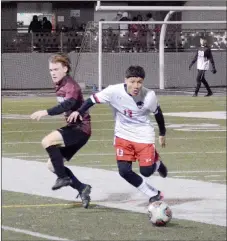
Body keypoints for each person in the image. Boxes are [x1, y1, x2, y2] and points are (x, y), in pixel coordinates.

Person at [67, 66, 168, 204]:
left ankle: (157, 163)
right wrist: (79, 111)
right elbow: (92, 100)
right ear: (125, 80)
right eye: (132, 81)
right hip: (122, 135)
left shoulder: (149, 96)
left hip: (143, 136)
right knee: (124, 171)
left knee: (146, 172)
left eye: (139, 82)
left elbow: (158, 113)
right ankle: (154, 194)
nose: (136, 85)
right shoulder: (113, 91)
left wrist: (162, 133)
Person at [30, 53, 92, 208]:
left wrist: (46, 112)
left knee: (47, 141)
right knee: (52, 166)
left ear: (65, 69)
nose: (53, 72)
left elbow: (67, 104)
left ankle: (63, 178)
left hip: (80, 129)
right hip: (73, 129)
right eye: (51, 70)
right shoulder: (60, 84)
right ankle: (82, 188)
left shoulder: (71, 86)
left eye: (56, 69)